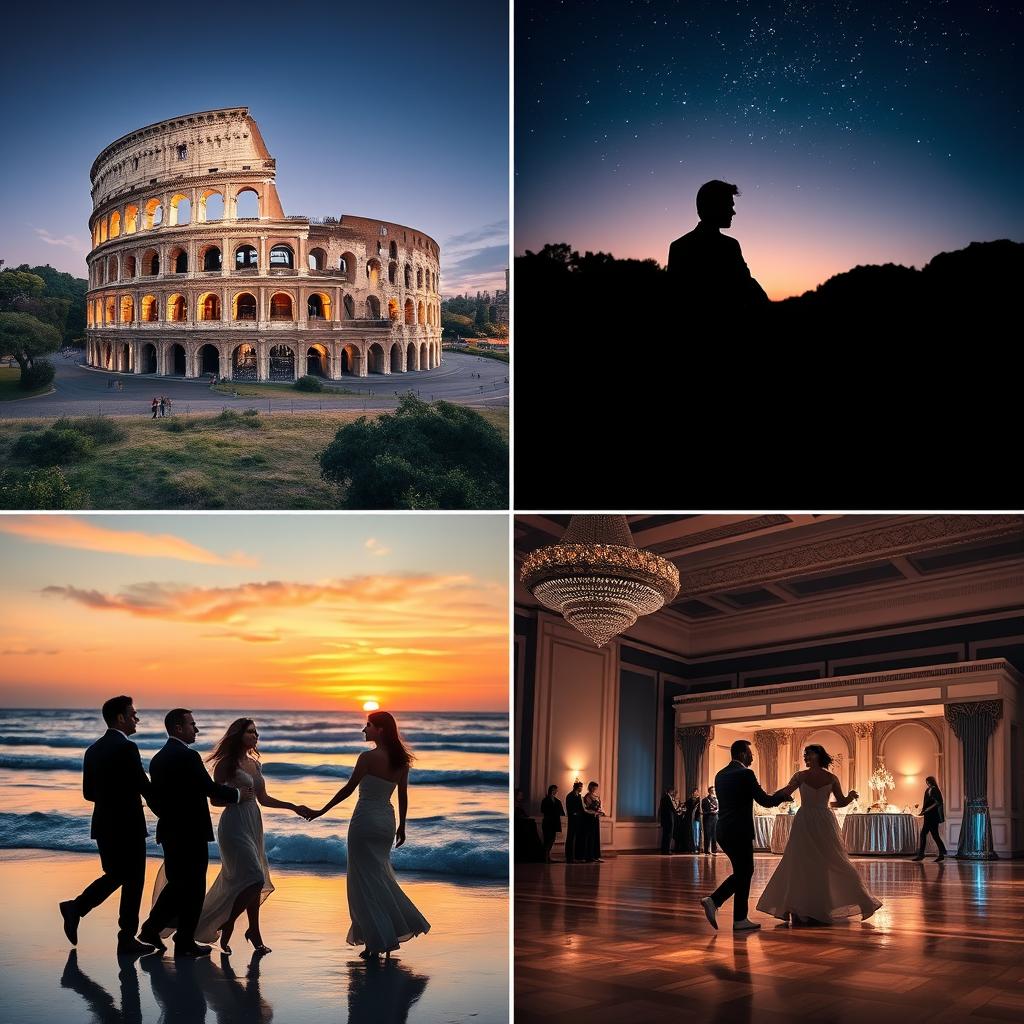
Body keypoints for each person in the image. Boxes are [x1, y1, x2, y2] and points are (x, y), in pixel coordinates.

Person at [153, 718, 311, 955]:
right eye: (250, 732)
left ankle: (254, 932)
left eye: (256, 732)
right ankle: (227, 924)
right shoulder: (226, 764)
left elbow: (263, 798)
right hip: (233, 825)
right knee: (255, 877)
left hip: (253, 822)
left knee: (252, 881)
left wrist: (293, 806)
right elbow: (214, 799)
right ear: (238, 735)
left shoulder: (255, 765)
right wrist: (237, 795)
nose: (255, 736)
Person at [305, 711, 430, 959]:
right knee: (380, 876)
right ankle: (386, 933)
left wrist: (321, 811)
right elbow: (402, 796)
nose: (364, 730)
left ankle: (377, 939)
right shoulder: (402, 761)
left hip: (364, 822)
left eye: (368, 725)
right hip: (386, 821)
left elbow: (348, 789)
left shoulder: (368, 758)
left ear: (380, 730)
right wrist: (402, 826)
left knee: (362, 882)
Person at [140, 709, 249, 957]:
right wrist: (239, 795)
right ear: (178, 728)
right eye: (192, 724)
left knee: (178, 885)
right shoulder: (188, 756)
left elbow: (157, 799)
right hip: (191, 832)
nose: (196, 729)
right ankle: (180, 939)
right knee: (193, 887)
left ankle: (157, 930)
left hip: (169, 831)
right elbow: (209, 788)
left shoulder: (158, 759)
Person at [59, 696, 158, 954]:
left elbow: (88, 793)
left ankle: (77, 909)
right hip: (127, 824)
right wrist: (166, 812)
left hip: (103, 824)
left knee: (117, 874)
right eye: (133, 714)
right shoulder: (127, 748)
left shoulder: (92, 750)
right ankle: (123, 936)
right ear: (120, 718)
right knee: (132, 879)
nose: (137, 719)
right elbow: (143, 786)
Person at [756, 744, 882, 924]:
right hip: (821, 818)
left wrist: (848, 797)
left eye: (808, 754)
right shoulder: (827, 777)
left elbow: (837, 802)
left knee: (826, 860)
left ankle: (853, 902)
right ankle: (807, 906)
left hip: (808, 817)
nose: (805, 757)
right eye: (804, 754)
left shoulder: (805, 776)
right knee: (806, 861)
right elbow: (839, 802)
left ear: (818, 755)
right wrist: (835, 802)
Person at [699, 739, 789, 932]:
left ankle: (734, 915)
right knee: (745, 871)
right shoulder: (746, 774)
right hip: (739, 831)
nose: (752, 756)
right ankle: (718, 903)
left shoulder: (720, 775)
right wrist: (783, 794)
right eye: (749, 753)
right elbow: (765, 801)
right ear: (741, 754)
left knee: (743, 872)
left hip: (723, 831)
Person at [667, 180, 770, 319]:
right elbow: (748, 287)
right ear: (716, 206)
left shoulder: (679, 246)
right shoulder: (730, 246)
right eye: (730, 205)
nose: (733, 212)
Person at [912, 775, 946, 862]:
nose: (927, 783)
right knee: (932, 835)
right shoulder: (928, 790)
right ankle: (941, 853)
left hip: (933, 816)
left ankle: (923, 854)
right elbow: (927, 802)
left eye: (928, 781)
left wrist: (927, 809)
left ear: (930, 781)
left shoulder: (934, 790)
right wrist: (924, 811)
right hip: (928, 816)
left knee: (928, 834)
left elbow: (938, 802)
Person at [540, 784, 565, 862]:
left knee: (552, 839)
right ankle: (545, 856)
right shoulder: (545, 800)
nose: (556, 791)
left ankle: (547, 856)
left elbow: (562, 812)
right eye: (554, 790)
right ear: (551, 790)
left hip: (554, 822)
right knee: (547, 839)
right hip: (548, 822)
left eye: (556, 790)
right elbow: (543, 810)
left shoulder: (557, 801)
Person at [582, 781, 605, 862]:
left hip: (595, 818)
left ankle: (595, 856)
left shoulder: (596, 796)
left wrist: (601, 811)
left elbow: (599, 806)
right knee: (590, 836)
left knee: (596, 836)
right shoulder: (587, 796)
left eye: (596, 787)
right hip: (589, 818)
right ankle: (589, 856)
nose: (594, 789)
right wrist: (595, 810)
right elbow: (587, 807)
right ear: (590, 787)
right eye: (593, 787)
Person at [564, 780, 585, 863]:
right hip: (573, 819)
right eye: (581, 787)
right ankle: (569, 857)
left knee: (578, 837)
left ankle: (577, 856)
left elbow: (581, 807)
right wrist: (574, 813)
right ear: (577, 787)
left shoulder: (579, 796)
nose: (581, 789)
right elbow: (569, 808)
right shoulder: (570, 796)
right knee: (571, 837)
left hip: (579, 819)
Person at [701, 786, 720, 855]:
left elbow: (719, 808)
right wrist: (710, 812)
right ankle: (707, 850)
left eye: (714, 790)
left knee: (714, 834)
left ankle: (714, 850)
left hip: (715, 818)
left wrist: (717, 811)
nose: (713, 791)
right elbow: (704, 810)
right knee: (707, 834)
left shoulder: (717, 799)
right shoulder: (705, 800)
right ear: (709, 791)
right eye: (712, 790)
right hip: (707, 818)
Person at [658, 787, 677, 855]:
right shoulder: (668, 798)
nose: (674, 793)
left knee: (665, 835)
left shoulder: (664, 797)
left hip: (665, 820)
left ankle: (664, 850)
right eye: (673, 791)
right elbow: (672, 808)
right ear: (671, 791)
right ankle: (667, 850)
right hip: (669, 819)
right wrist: (677, 811)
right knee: (669, 834)